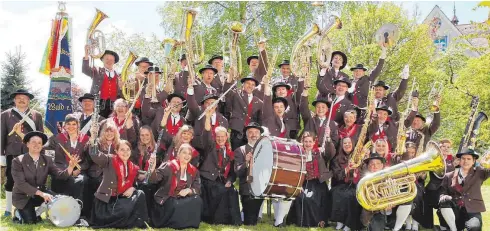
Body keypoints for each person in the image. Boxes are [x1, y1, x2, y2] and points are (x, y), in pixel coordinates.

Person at [11, 131, 79, 224]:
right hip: (23, 196)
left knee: (59, 202)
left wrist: (70, 167)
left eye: (39, 143)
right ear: (27, 144)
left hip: (41, 192)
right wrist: (42, 194)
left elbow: (60, 175)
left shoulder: (47, 159)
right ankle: (18, 212)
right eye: (33, 142)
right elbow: (21, 184)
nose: (37, 145)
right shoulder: (18, 161)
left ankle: (39, 211)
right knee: (31, 222)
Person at [1, 89, 44, 217]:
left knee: (31, 181)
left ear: (29, 100)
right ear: (14, 100)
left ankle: (28, 208)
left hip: (30, 153)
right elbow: (1, 135)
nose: (21, 100)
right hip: (12, 153)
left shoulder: (36, 115)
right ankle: (8, 209)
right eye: (19, 97)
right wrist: (1, 154)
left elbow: (40, 136)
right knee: (10, 180)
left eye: (24, 98)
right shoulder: (5, 115)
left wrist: (42, 154)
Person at [88, 139, 148, 228]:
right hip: (107, 203)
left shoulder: (133, 167)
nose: (125, 152)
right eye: (122, 150)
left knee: (140, 194)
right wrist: (93, 140)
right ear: (116, 151)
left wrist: (132, 188)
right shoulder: (109, 160)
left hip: (120, 199)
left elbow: (140, 180)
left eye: (128, 149)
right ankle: (124, 219)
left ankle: (139, 223)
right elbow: (95, 155)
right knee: (125, 210)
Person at [200, 112, 241, 225]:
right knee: (220, 190)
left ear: (226, 137)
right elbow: (207, 134)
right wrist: (207, 118)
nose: (220, 139)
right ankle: (218, 220)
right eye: (218, 136)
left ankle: (234, 221)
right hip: (208, 178)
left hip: (221, 179)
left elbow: (232, 172)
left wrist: (229, 181)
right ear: (215, 137)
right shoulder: (210, 146)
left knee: (232, 190)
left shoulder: (229, 152)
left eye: (223, 136)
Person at [148, 143, 202, 229]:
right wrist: (152, 168)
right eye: (184, 152)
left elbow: (197, 189)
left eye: (189, 153)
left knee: (197, 200)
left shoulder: (194, 171)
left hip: (182, 197)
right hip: (167, 197)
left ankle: (188, 223)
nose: (187, 156)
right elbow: (154, 179)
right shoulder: (169, 166)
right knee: (175, 204)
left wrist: (189, 190)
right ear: (178, 154)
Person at [287, 132, 334, 227]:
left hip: (318, 184)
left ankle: (320, 221)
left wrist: (328, 138)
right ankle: (304, 221)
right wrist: (299, 185)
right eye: (306, 141)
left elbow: (330, 153)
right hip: (304, 183)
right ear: (302, 142)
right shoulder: (299, 154)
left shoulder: (320, 153)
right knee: (302, 198)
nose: (308, 144)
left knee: (315, 200)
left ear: (314, 142)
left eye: (310, 141)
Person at [44, 114, 89, 211]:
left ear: (78, 125)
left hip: (78, 171)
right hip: (61, 170)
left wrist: (79, 168)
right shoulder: (56, 138)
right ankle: (58, 209)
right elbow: (44, 149)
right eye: (68, 124)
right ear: (64, 125)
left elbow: (88, 160)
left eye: (74, 124)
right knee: (59, 179)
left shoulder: (85, 139)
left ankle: (77, 209)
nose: (71, 127)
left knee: (81, 181)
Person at [439, 148, 490, 231]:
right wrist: (445, 197)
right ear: (459, 160)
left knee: (474, 227)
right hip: (455, 210)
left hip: (473, 210)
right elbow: (442, 194)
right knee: (444, 202)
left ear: (473, 161)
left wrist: (487, 160)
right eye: (463, 158)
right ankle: (452, 228)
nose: (466, 161)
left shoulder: (480, 172)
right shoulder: (448, 176)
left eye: (469, 159)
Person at [82, 123, 120, 220]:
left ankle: (109, 214)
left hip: (113, 174)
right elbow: (90, 153)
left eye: (112, 131)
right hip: (97, 173)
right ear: (103, 132)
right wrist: (92, 138)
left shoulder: (119, 144)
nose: (109, 133)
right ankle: (91, 215)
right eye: (107, 130)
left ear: (115, 132)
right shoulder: (97, 142)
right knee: (96, 182)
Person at [330, 137, 363, 231]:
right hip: (341, 184)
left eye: (349, 143)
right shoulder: (336, 159)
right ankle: (339, 221)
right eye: (345, 143)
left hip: (355, 185)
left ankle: (349, 223)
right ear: (342, 145)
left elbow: (362, 173)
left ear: (353, 144)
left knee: (351, 196)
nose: (347, 145)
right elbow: (337, 176)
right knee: (338, 194)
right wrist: (347, 169)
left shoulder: (359, 157)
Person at [234, 122, 264, 225]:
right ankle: (244, 216)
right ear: (247, 136)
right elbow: (238, 172)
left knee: (253, 218)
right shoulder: (240, 151)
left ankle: (245, 215)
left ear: (260, 136)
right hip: (247, 189)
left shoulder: (266, 150)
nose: (254, 135)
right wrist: (246, 162)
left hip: (261, 188)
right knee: (250, 222)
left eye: (256, 132)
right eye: (251, 132)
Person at [224, 74, 263, 150]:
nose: (250, 86)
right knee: (236, 155)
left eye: (253, 84)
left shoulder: (259, 102)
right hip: (237, 132)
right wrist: (230, 78)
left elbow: (260, 120)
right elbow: (227, 91)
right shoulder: (236, 94)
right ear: (243, 84)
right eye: (248, 83)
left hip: (251, 134)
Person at [426, 139, 457, 230]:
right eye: (443, 146)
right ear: (439, 147)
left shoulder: (453, 160)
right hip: (434, 189)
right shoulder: (432, 158)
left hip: (446, 189)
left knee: (446, 202)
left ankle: (444, 226)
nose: (446, 149)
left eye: (448, 147)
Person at [82, 47, 121, 118]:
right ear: (102, 60)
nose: (109, 61)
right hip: (99, 104)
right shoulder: (97, 70)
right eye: (107, 59)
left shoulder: (119, 75)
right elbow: (85, 70)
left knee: (112, 126)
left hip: (114, 106)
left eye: (111, 59)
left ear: (114, 61)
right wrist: (86, 55)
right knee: (97, 126)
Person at [360, 152, 392, 230]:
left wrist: (391, 201)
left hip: (387, 210)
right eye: (372, 164)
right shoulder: (364, 179)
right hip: (371, 210)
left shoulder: (388, 176)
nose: (375, 166)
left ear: (382, 166)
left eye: (378, 163)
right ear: (368, 166)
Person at [130, 126, 159, 212]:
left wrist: (149, 174)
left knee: (147, 186)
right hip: (139, 177)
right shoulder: (136, 149)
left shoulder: (158, 149)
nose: (144, 137)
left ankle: (147, 213)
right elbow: (133, 165)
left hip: (155, 178)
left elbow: (162, 166)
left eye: (147, 135)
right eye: (142, 135)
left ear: (151, 135)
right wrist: (139, 174)